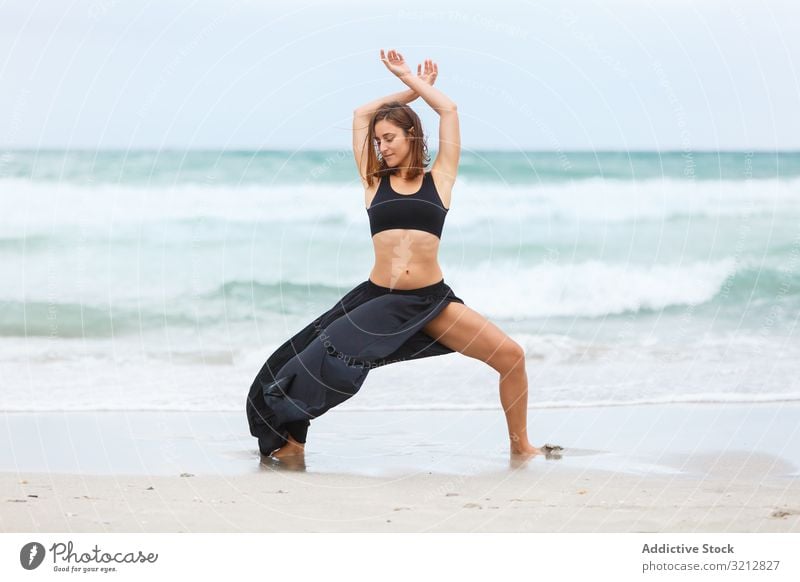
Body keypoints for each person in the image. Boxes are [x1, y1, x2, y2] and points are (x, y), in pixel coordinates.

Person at [246, 49, 542, 460]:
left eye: (390, 138)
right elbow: (360, 115)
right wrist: (407, 90)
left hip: (429, 302)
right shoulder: (372, 181)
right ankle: (291, 442)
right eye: (379, 140)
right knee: (309, 363)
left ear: (412, 137)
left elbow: (449, 110)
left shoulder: (440, 178)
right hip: (378, 299)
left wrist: (421, 86)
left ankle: (521, 447)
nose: (382, 146)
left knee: (511, 356)